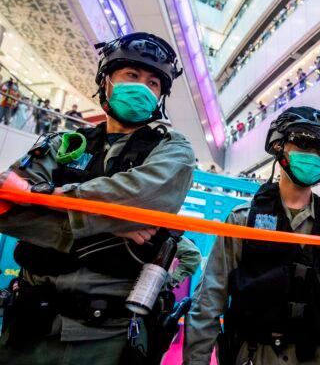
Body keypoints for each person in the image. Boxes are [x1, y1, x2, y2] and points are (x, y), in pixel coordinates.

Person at [0, 32, 198, 364]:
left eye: (153, 83)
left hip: (109, 336)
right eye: (132, 76)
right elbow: (6, 207)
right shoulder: (61, 143)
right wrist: (112, 223)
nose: (142, 87)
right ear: (105, 80)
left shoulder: (173, 149)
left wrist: (44, 199)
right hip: (28, 327)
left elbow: (145, 199)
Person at [185, 106, 320, 365]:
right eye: (303, 143)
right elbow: (209, 301)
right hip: (256, 356)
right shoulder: (243, 221)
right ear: (279, 147)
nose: (313, 155)